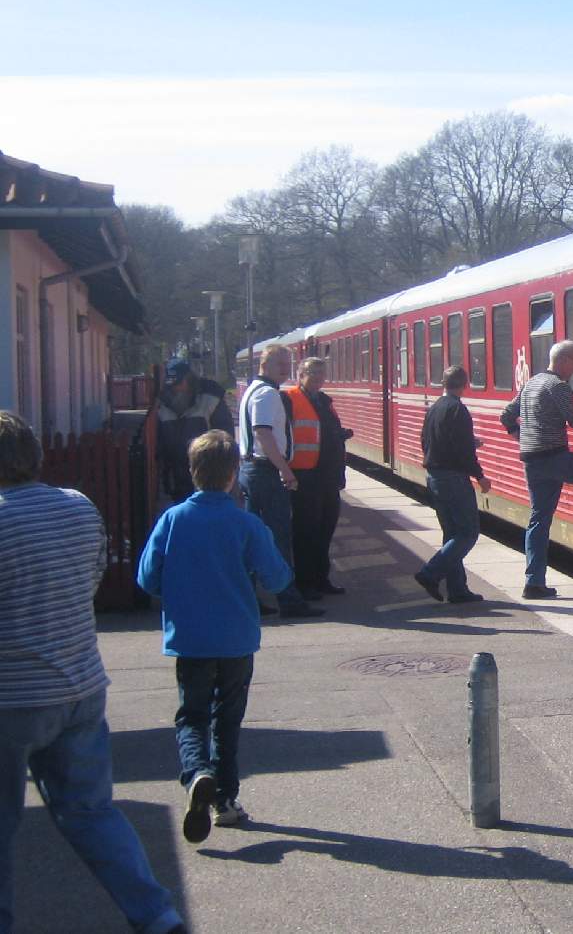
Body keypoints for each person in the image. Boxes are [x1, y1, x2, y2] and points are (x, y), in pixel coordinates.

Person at [0, 411, 185, 934]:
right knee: (92, 813)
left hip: (11, 697)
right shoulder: (79, 508)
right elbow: (91, 578)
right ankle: (157, 916)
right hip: (80, 685)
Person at [137, 430, 292, 841]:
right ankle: (224, 801)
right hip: (237, 638)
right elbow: (278, 578)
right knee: (228, 720)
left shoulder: (171, 520)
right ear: (233, 474)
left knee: (192, 715)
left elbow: (147, 578)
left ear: (192, 472)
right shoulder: (246, 524)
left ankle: (197, 773)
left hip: (189, 637)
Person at [500, 341, 573, 599]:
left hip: (531, 462)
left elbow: (506, 416)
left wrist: (522, 438)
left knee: (538, 520)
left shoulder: (531, 383)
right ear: (563, 360)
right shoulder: (558, 386)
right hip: (555, 459)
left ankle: (534, 582)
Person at [236, 344, 323, 619]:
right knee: (279, 538)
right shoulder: (267, 394)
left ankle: (250, 596)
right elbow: (263, 433)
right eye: (280, 364)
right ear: (265, 364)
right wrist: (285, 469)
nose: (285, 370)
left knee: (254, 538)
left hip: (252, 470)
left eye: (288, 364)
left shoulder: (253, 390)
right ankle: (289, 600)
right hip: (264, 471)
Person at [414, 365, 492, 603]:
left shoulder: (434, 408)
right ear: (464, 384)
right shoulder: (458, 409)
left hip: (435, 476)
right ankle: (430, 573)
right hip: (454, 478)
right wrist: (480, 476)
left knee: (452, 534)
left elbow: (425, 440)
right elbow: (464, 450)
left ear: (443, 383)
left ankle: (457, 589)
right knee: (468, 533)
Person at [285, 358, 352, 599]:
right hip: (304, 475)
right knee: (305, 531)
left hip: (328, 476)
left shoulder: (324, 401)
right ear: (300, 374)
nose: (317, 378)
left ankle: (321, 578)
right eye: (312, 373)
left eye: (321, 374)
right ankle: (305, 583)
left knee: (326, 528)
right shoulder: (289, 399)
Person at [156, 357, 234, 500]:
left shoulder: (211, 399)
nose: (175, 388)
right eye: (171, 384)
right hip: (177, 475)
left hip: (210, 474)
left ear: (189, 379)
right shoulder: (161, 405)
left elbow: (226, 437)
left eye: (179, 383)